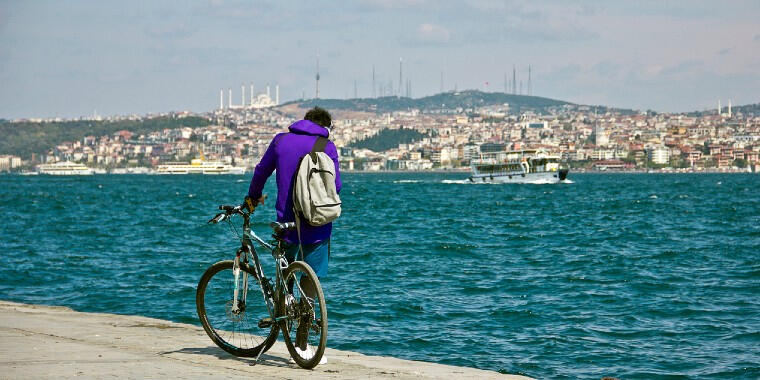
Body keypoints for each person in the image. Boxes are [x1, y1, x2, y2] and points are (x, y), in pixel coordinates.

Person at [245, 107, 341, 363]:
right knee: (312, 276)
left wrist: (253, 199)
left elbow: (261, 171)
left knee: (284, 271)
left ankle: (285, 306)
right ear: (326, 126)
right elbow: (337, 186)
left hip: (286, 224)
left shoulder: (281, 140)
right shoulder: (326, 145)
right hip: (317, 223)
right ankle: (302, 336)